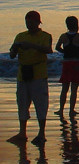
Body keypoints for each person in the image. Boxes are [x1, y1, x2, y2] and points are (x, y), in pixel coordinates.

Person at [8, 11, 53, 146]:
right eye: (27, 22)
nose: (29, 25)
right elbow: (11, 55)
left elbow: (48, 50)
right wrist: (15, 48)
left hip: (38, 73)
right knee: (22, 103)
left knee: (41, 103)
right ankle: (22, 132)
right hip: (23, 74)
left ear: (38, 22)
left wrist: (31, 46)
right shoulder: (20, 36)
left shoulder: (45, 36)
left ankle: (41, 133)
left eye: (31, 22)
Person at [55, 16, 79, 118]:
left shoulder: (63, 36)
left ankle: (61, 109)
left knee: (64, 88)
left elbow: (57, 47)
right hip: (76, 62)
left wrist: (65, 52)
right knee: (74, 89)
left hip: (67, 62)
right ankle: (71, 110)